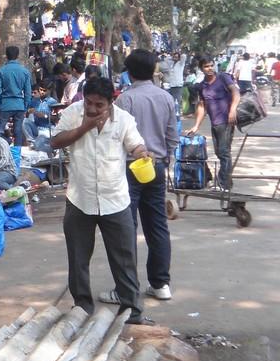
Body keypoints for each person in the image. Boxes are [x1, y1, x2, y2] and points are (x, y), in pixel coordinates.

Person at [52, 77, 149, 325]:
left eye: (99, 105)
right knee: (78, 258)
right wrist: (83, 127)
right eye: (89, 103)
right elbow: (55, 141)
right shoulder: (73, 113)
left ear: (111, 103)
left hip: (115, 200)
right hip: (79, 198)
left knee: (124, 259)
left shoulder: (124, 120)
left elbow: (136, 145)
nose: (93, 109)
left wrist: (143, 154)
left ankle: (131, 311)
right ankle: (82, 307)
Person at [99, 49, 178, 306]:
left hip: (130, 168)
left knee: (126, 228)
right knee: (157, 226)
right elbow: (171, 137)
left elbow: (114, 139)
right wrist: (168, 163)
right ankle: (161, 283)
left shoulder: (125, 100)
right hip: (155, 166)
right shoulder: (166, 98)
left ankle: (126, 290)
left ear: (129, 71)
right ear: (153, 69)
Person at [186, 55, 240, 189]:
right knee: (219, 152)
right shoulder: (202, 85)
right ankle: (227, 181)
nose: (209, 68)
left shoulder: (223, 78)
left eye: (211, 65)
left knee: (223, 152)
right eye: (206, 66)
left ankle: (223, 184)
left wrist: (232, 109)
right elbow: (202, 106)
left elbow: (236, 92)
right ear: (201, 69)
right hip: (215, 123)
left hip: (226, 121)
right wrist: (196, 126)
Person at [0, 46, 32, 145]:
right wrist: (26, 106)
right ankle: (16, 156)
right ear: (17, 55)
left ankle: (2, 152)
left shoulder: (1, 71)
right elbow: (28, 91)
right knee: (18, 131)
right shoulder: (24, 71)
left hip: (5, 105)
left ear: (6, 56)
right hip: (19, 105)